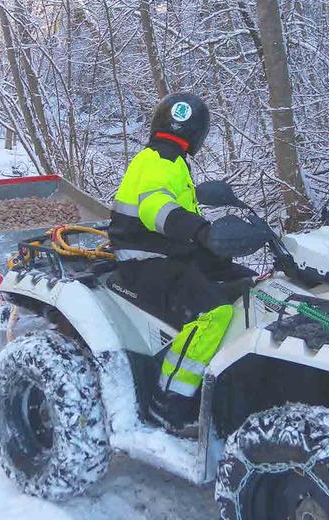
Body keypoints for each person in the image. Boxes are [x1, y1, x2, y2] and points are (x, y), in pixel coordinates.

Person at [108, 92, 260, 431]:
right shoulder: (161, 160)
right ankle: (170, 400)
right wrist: (202, 231)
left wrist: (213, 243)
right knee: (214, 313)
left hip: (168, 253)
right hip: (146, 262)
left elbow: (171, 215)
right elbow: (156, 209)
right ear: (199, 134)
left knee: (253, 286)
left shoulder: (167, 159)